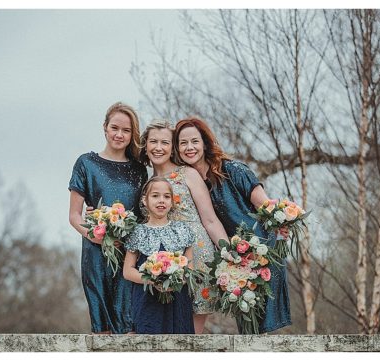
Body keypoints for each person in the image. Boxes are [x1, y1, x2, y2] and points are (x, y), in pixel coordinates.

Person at [174, 116, 291, 333]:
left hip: (262, 251)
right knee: (247, 324)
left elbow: (264, 204)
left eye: (194, 141)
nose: (189, 147)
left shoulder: (233, 169)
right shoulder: (188, 181)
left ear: (205, 143)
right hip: (233, 257)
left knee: (263, 323)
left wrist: (282, 225)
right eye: (183, 143)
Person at [139, 120, 227, 333]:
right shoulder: (146, 183)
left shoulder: (187, 173)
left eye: (165, 142)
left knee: (190, 334)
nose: (158, 148)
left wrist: (229, 252)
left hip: (196, 254)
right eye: (153, 142)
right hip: (163, 262)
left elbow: (210, 219)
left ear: (172, 147)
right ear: (145, 145)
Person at [67, 102, 147, 334]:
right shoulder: (86, 163)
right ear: (105, 128)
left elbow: (142, 215)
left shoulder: (139, 170)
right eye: (115, 128)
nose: (119, 134)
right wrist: (95, 235)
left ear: (133, 134)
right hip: (95, 253)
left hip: (129, 254)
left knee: (130, 325)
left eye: (126, 130)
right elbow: (74, 215)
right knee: (102, 326)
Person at [123, 177, 195, 334]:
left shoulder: (182, 230)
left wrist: (174, 280)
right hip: (147, 300)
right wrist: (152, 280)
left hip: (177, 299)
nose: (161, 200)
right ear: (144, 200)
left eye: (166, 196)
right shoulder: (138, 232)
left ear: (172, 202)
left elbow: (190, 268)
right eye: (155, 196)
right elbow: (127, 271)